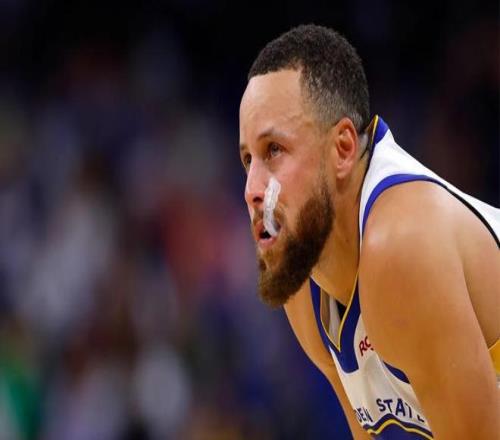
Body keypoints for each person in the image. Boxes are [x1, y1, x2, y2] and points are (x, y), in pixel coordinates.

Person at [238, 24, 499, 439]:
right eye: (248, 159)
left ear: (343, 148)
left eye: (274, 150)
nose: (253, 189)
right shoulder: (306, 282)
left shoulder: (401, 244)